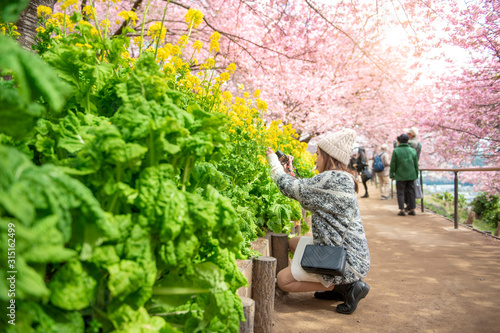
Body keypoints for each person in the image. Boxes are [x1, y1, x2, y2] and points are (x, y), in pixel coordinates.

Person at [265, 128, 370, 315]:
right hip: (350, 252)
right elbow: (306, 191)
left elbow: (289, 188)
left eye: (319, 154)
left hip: (346, 261)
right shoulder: (340, 178)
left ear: (329, 157)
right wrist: (289, 171)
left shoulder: (330, 179)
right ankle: (338, 285)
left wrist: (273, 163)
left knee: (284, 281)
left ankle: (344, 287)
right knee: (292, 243)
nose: (316, 158)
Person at [389, 134, 419, 216]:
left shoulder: (396, 151)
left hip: (400, 175)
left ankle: (402, 210)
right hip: (411, 174)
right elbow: (416, 164)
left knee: (400, 192)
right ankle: (412, 209)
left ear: (399, 141)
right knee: (411, 192)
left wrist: (392, 174)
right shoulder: (413, 150)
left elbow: (393, 164)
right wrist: (416, 174)